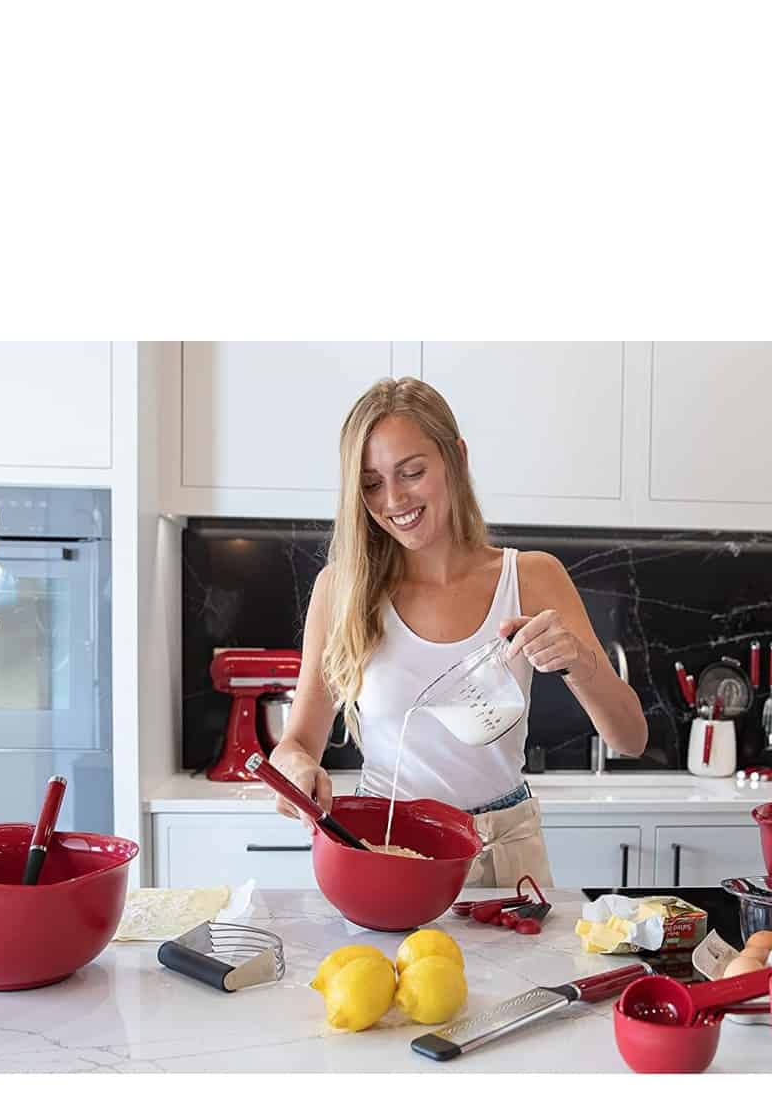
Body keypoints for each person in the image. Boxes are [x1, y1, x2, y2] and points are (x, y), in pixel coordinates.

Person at [267, 377, 648, 886]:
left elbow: (631, 738)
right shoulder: (341, 590)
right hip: (389, 847)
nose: (394, 499)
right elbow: (296, 743)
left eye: (412, 472)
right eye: (372, 484)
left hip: (506, 855)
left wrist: (578, 661)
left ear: (457, 458)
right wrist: (294, 769)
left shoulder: (531, 577)